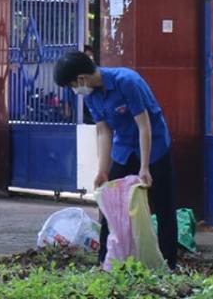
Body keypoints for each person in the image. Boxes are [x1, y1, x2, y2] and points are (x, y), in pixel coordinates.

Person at [53, 49, 179, 267]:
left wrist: (145, 167)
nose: (75, 90)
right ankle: (105, 262)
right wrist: (102, 169)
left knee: (163, 205)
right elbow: (103, 131)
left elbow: (144, 125)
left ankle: (169, 264)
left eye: (73, 85)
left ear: (81, 79)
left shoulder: (127, 81)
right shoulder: (92, 96)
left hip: (153, 145)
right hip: (123, 149)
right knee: (110, 203)